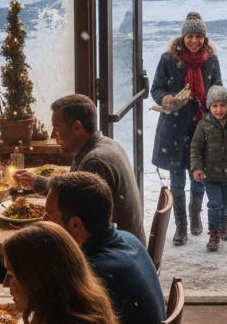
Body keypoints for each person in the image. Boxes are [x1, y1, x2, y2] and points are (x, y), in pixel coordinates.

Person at [44, 171, 165, 324]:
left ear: (75, 225)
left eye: (48, 217)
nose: (43, 224)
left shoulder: (93, 276)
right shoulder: (127, 239)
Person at [15, 94, 144, 242]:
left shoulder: (96, 162)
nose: (52, 135)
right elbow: (72, 196)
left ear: (77, 127)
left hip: (114, 254)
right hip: (125, 247)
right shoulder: (105, 145)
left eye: (56, 128)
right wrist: (36, 182)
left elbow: (78, 227)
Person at [151, 11, 223, 245]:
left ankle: (195, 215)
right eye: (190, 36)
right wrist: (168, 99)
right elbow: (156, 88)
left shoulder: (211, 60)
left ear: (205, 39)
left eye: (199, 37)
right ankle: (181, 226)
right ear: (183, 38)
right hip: (173, 128)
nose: (194, 41)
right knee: (176, 181)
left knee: (199, 177)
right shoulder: (168, 59)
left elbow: (217, 88)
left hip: (200, 128)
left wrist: (213, 106)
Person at [190, 84, 227, 252]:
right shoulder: (203, 125)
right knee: (215, 204)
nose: (219, 110)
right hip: (210, 176)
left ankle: (223, 225)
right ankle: (214, 232)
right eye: (214, 106)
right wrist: (197, 167)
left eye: (222, 105)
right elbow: (195, 148)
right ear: (209, 106)